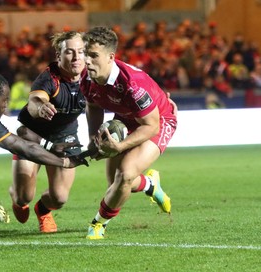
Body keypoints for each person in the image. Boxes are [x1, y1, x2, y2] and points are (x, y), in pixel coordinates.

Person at [80, 26, 177, 239]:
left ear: (110, 57)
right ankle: (150, 184)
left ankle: (98, 224)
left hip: (159, 120)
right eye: (85, 54)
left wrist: (120, 146)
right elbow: (93, 105)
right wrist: (92, 138)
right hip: (127, 119)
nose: (87, 61)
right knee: (115, 184)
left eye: (94, 56)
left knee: (124, 175)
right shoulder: (87, 77)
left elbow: (151, 126)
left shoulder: (132, 84)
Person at [9, 31, 86, 233]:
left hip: (65, 138)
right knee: (22, 196)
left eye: (81, 51)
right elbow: (34, 100)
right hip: (32, 137)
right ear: (59, 56)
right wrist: (41, 107)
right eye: (70, 52)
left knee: (59, 198)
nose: (77, 57)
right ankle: (17, 196)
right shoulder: (49, 78)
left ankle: (43, 210)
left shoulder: (92, 76)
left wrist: (163, 102)